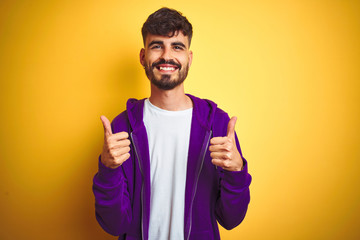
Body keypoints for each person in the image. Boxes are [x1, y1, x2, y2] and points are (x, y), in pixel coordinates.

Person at [92, 7, 252, 240]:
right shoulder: (123, 126)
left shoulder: (217, 124)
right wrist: (108, 170)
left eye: (177, 46)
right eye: (157, 46)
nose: (167, 56)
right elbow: (114, 225)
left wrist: (236, 172)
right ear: (143, 56)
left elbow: (231, 219)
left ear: (189, 57)